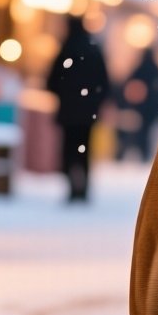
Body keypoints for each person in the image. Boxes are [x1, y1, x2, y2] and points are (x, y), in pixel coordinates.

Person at [47, 14, 110, 202]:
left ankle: (72, 187)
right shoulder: (93, 50)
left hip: (68, 112)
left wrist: (65, 94)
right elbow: (104, 82)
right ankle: (83, 188)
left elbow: (51, 81)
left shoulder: (66, 49)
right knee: (85, 149)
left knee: (69, 149)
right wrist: (94, 102)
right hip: (88, 113)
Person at [116, 47, 158, 161]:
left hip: (140, 107)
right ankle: (143, 153)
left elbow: (127, 84)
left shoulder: (139, 69)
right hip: (151, 108)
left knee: (136, 131)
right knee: (145, 131)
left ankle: (127, 152)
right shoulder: (155, 69)